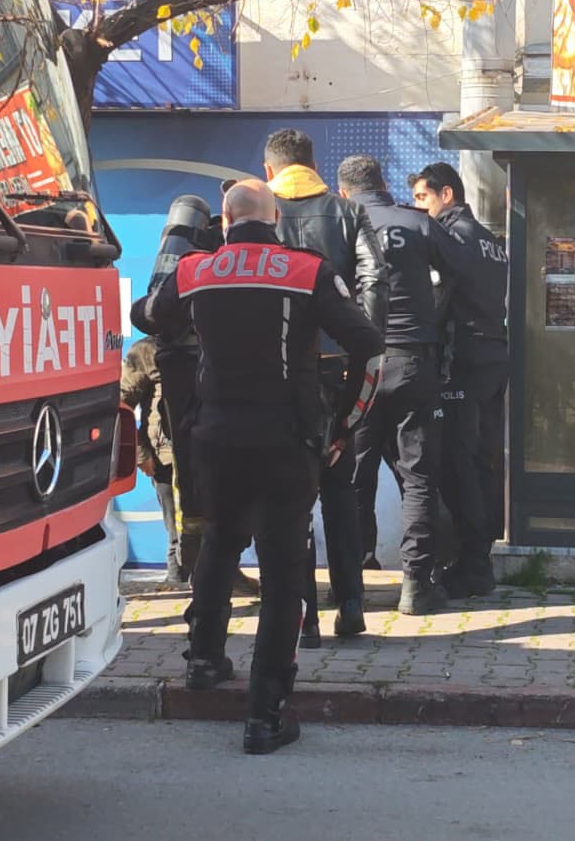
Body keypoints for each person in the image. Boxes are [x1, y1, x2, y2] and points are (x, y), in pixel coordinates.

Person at [136, 178, 383, 754]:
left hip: (214, 438)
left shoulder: (197, 270)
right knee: (282, 573)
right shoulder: (306, 270)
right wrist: (345, 423)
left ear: (224, 221)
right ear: (276, 221)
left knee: (220, 542)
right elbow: (370, 349)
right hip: (286, 441)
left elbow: (149, 315)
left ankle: (203, 660)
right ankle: (265, 715)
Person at [264, 129, 389, 640]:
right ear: (315, 165)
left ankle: (304, 616)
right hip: (339, 365)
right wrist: (364, 336)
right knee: (340, 486)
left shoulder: (258, 212)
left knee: (290, 493)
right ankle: (352, 601)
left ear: (270, 169)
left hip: (278, 371)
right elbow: (375, 278)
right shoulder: (347, 213)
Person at [338, 155, 471, 615]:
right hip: (415, 361)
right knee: (418, 477)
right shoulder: (414, 223)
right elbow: (459, 266)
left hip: (358, 367)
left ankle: (351, 582)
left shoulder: (341, 221)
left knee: (354, 479)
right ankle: (416, 585)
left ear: (344, 191)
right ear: (384, 186)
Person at [133, 194, 260, 594]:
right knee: (205, 494)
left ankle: (208, 577)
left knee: (203, 491)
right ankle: (198, 576)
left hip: (190, 401)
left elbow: (146, 313)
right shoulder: (152, 349)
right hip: (192, 418)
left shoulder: (182, 277)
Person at [410, 162, 509, 598]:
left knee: (458, 462)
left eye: (422, 199)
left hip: (462, 360)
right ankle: (478, 556)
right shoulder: (490, 241)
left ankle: (471, 563)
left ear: (446, 195)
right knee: (484, 460)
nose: (420, 209)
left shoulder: (451, 237)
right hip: (492, 356)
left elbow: (436, 300)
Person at [119, 336, 181, 575]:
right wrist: (140, 453)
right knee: (178, 536)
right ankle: (178, 590)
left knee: (212, 531)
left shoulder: (209, 336)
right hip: (166, 458)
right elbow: (122, 404)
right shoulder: (145, 350)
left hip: (207, 451)